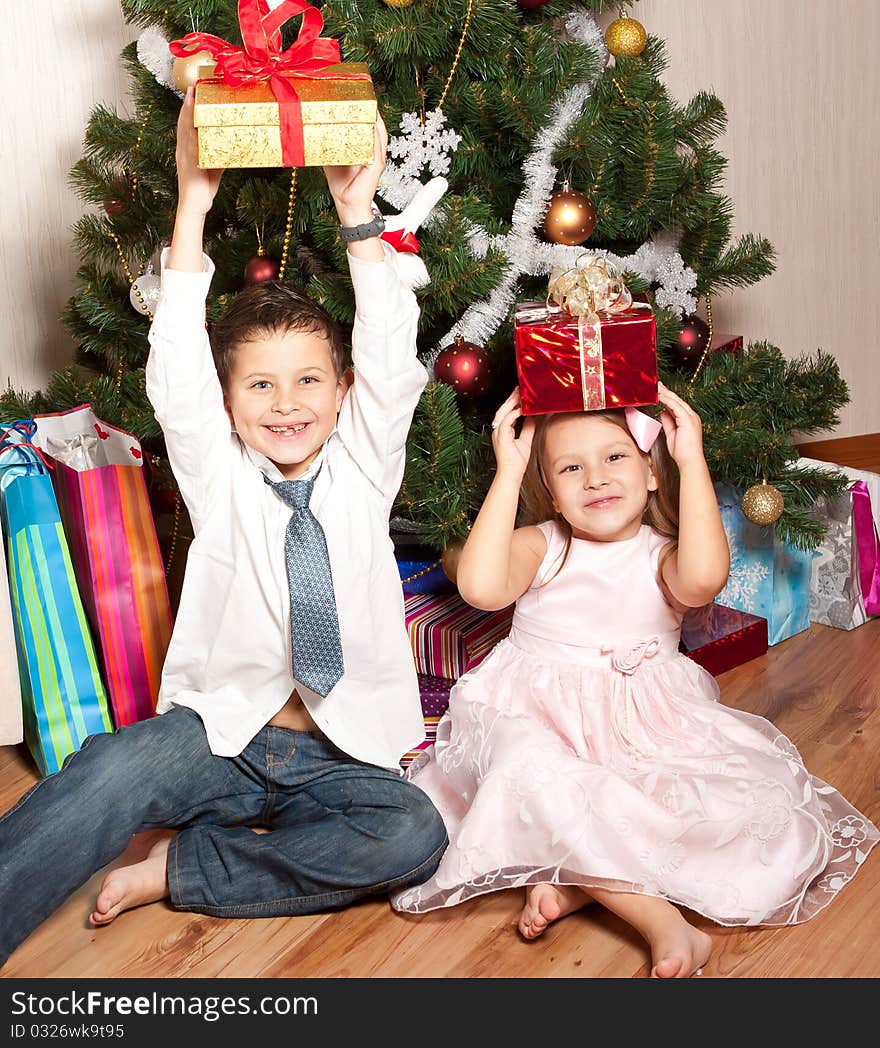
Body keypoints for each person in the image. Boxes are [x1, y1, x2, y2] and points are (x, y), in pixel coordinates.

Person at [0, 89, 447, 968]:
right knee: (107, 768)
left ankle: (184, 869)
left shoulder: (363, 467)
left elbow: (394, 356)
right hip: (221, 740)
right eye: (261, 388)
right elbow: (175, 377)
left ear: (342, 391)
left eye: (308, 382)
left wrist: (359, 216)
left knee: (413, 835)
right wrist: (192, 205)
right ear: (233, 404)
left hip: (342, 751)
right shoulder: (221, 478)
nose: (287, 405)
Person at [391, 384, 879, 978]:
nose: (595, 477)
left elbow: (703, 581)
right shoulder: (542, 546)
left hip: (644, 725)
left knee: (751, 825)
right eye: (572, 467)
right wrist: (508, 472)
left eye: (615, 457)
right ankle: (663, 924)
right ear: (551, 491)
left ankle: (576, 877)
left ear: (651, 472)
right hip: (536, 716)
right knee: (531, 773)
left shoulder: (663, 555)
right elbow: (482, 588)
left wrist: (691, 456)